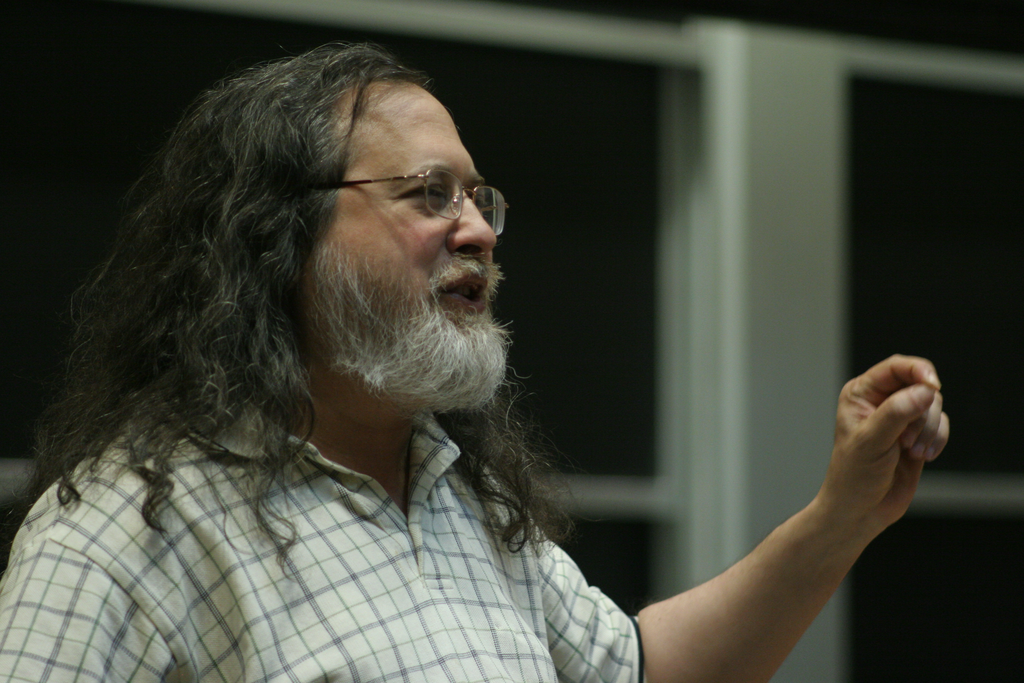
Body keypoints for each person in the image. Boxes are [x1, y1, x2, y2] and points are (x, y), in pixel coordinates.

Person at [0, 43, 948, 683]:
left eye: (481, 197)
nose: (479, 231)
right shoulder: (122, 535)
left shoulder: (462, 494)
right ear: (275, 239)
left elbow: (640, 669)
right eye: (429, 194)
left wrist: (843, 515)